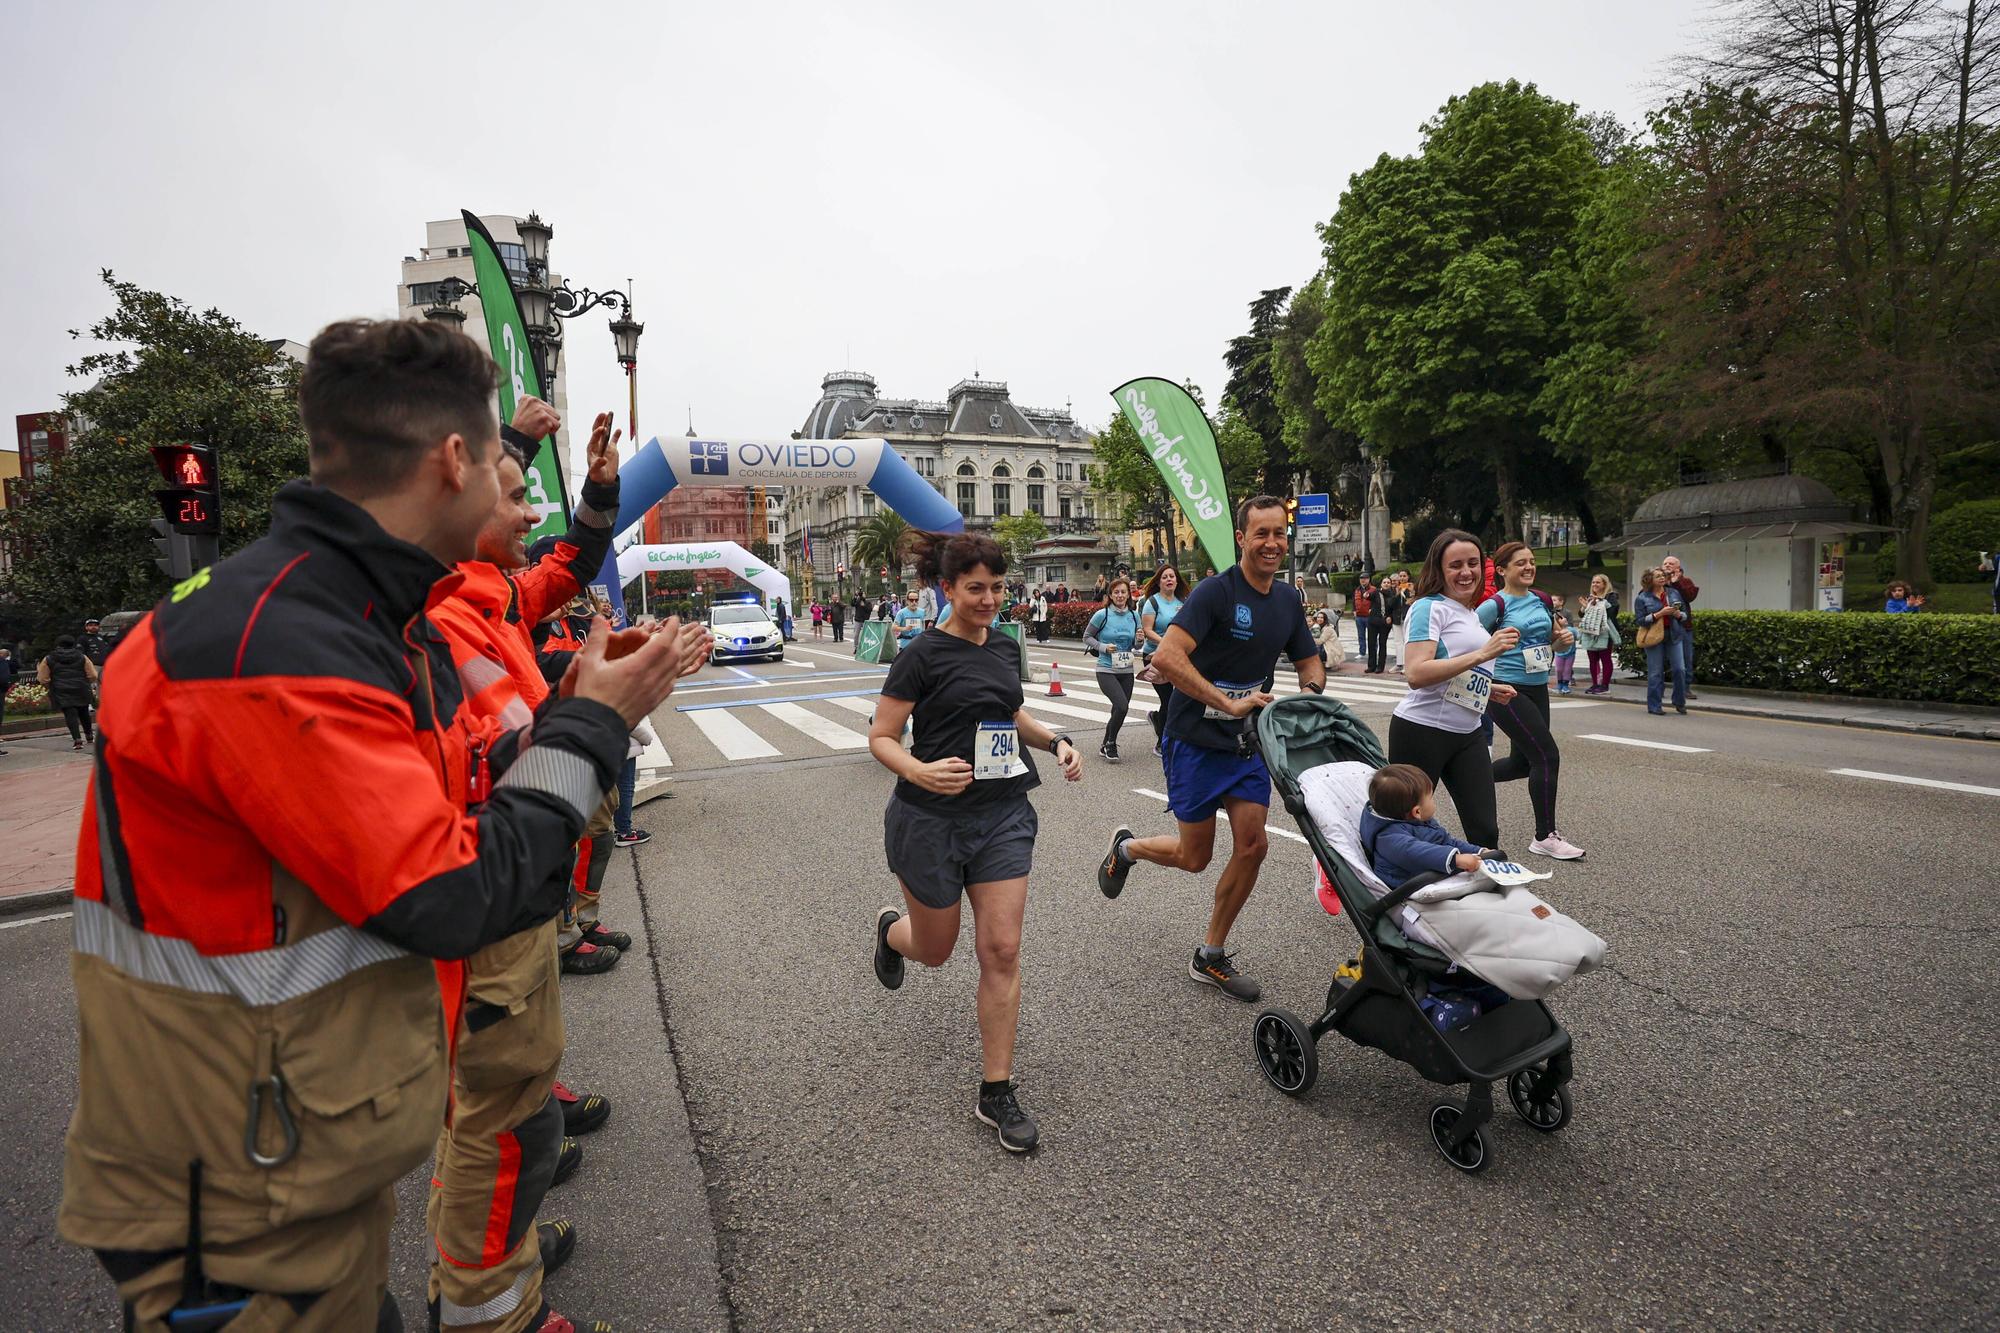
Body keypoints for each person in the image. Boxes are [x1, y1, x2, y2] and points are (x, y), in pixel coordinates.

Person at [58, 317, 679, 1331]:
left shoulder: (352, 611)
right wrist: (594, 721)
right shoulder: (279, 642)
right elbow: (451, 892)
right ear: (450, 462)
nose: (511, 489)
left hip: (282, 1143)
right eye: (498, 461)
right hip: (236, 1182)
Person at [427, 402, 696, 1330]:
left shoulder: (490, 589)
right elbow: (522, 757)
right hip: (486, 894)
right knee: (500, 1128)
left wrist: (597, 487)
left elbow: (568, 564)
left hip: (510, 890)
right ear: (459, 499)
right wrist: (603, 700)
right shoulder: (449, 611)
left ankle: (500, 1256)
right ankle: (488, 1303)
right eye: (514, 498)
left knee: (515, 1108)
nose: (532, 518)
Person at [868, 530, 1082, 1153]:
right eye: (975, 589)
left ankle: (996, 1090)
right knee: (935, 951)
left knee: (1002, 948)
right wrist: (919, 769)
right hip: (928, 820)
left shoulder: (1007, 647)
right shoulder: (921, 654)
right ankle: (890, 932)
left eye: (997, 588)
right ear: (948, 588)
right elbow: (881, 735)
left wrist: (1055, 739)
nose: (989, 599)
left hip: (1001, 813)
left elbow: (1006, 714)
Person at [1096, 497, 1327, 1002]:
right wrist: (1227, 700)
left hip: (1246, 742)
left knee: (1254, 845)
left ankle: (1211, 955)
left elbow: (1311, 664)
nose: (1271, 543)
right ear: (1241, 539)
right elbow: (1168, 656)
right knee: (1194, 856)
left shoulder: (1287, 601)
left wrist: (1306, 699)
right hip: (1195, 737)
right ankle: (1127, 848)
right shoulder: (1215, 593)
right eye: (1260, 534)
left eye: (1279, 534)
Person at [1386, 530, 1520, 853]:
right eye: (1455, 565)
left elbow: (1452, 672)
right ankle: (1384, 894)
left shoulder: (1470, 613)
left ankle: (1481, 899)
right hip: (1421, 731)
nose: (1466, 572)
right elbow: (1417, 673)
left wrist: (1485, 689)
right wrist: (1483, 654)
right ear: (1439, 569)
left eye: (1473, 563)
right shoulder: (1428, 608)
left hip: (1468, 734)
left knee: (1485, 831)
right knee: (1406, 828)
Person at [1478, 543, 1581, 860]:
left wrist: (1560, 641)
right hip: (1506, 690)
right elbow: (1467, 647)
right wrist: (1487, 683)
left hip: (1538, 686)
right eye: (1520, 563)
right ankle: (1544, 836)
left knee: (1523, 763)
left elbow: (1550, 641)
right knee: (1547, 756)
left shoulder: (1542, 599)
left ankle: (1469, 776)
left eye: (1532, 562)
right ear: (1503, 569)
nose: (1528, 567)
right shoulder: (1494, 606)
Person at [1360, 764, 1496, 889]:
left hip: (1431, 877)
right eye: (1431, 797)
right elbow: (1417, 853)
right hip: (1408, 888)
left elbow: (1446, 841)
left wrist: (1479, 851)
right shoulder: (1388, 838)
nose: (1433, 800)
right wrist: (1456, 859)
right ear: (1417, 812)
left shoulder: (1419, 821)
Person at [1083, 575, 1141, 763]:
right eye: (1116, 592)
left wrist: (1140, 641)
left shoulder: (1134, 615)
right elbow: (1087, 637)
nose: (1120, 595)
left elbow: (1137, 645)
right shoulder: (1103, 615)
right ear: (1110, 594)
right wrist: (1103, 647)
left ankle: (1105, 742)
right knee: (1122, 706)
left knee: (1119, 709)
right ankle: (1111, 744)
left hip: (1126, 669)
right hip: (1106, 669)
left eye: (1123, 592)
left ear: (1128, 594)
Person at [1137, 566, 1184, 757]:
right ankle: (1161, 743)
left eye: (1172, 576)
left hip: (1178, 657)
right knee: (1168, 700)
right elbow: (1147, 630)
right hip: (1155, 656)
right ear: (1159, 582)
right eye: (1165, 577)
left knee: (1178, 700)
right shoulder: (1152, 602)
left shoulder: (1183, 602)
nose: (1169, 579)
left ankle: (1158, 719)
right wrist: (1166, 642)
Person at [1635, 566, 1692, 716]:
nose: (1661, 578)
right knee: (1655, 672)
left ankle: (1679, 702)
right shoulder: (1643, 597)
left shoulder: (1673, 593)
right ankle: (1654, 705)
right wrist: (1659, 614)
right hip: (1654, 637)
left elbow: (1685, 615)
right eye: (1657, 576)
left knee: (1680, 669)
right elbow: (1640, 621)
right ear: (1649, 580)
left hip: (1674, 634)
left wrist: (1679, 615)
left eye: (1663, 575)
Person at [39, 635, 98, 750]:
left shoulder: (49, 658)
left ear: (57, 645)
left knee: (70, 714)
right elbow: (93, 675)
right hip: (81, 687)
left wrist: (50, 685)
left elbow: (42, 678)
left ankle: (77, 739)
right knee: (84, 712)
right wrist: (86, 681)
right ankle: (89, 735)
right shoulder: (82, 656)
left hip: (60, 689)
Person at [1575, 574, 1621, 694]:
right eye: (1593, 582)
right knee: (1592, 659)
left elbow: (1611, 613)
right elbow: (1582, 614)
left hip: (1604, 631)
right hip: (1590, 631)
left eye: (1598, 582)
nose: (1595, 585)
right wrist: (1585, 607)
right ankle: (1595, 684)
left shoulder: (1611, 597)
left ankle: (1604, 686)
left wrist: (1596, 604)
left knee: (1605, 659)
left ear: (1604, 584)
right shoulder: (1590, 597)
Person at [1661, 554, 1699, 699]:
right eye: (1665, 563)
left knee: (1685, 659)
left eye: (1671, 563)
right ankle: (1660, 687)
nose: (1668, 565)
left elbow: (1690, 597)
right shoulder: (1658, 581)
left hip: (1683, 626)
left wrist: (1677, 583)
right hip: (1662, 626)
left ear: (1678, 567)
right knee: (1661, 660)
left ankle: (1685, 688)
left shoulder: (1685, 581)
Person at [1365, 573, 1397, 674]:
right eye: (1384, 582)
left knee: (1382, 644)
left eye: (1388, 582)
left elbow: (1395, 609)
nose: (1386, 584)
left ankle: (1380, 666)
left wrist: (1390, 617)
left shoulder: (1394, 595)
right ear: (1381, 584)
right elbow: (1369, 596)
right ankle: (1371, 666)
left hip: (1385, 623)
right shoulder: (1376, 592)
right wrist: (1366, 595)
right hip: (1373, 621)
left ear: (1391, 584)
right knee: (1371, 643)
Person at [1550, 593, 1578, 695]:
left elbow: (1571, 628)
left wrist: (1564, 625)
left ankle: (1566, 684)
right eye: (1551, 600)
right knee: (1558, 668)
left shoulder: (1567, 612)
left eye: (1554, 600)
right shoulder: (1550, 612)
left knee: (1567, 668)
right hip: (1557, 643)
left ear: (1561, 602)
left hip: (1568, 645)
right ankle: (1559, 683)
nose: (1552, 602)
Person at [1386, 571, 1412, 672]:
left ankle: (1407, 664)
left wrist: (1411, 592)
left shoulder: (1411, 588)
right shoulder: (1394, 589)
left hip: (1407, 617)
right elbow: (1390, 604)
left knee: (1407, 641)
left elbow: (1415, 600)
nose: (1402, 578)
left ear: (1408, 577)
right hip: (1396, 618)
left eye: (1404, 576)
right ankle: (1399, 663)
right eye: (1400, 576)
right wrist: (1397, 593)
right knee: (1398, 642)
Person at [1351, 574, 1375, 660]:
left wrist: (1372, 609)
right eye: (1361, 579)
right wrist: (1354, 610)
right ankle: (1362, 652)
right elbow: (1354, 601)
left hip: (1369, 616)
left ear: (1369, 579)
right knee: (1361, 635)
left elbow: (1376, 601)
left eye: (1365, 579)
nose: (1363, 580)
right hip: (1359, 616)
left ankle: (1373, 652)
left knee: (1372, 636)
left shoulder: (1373, 590)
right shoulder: (1357, 590)